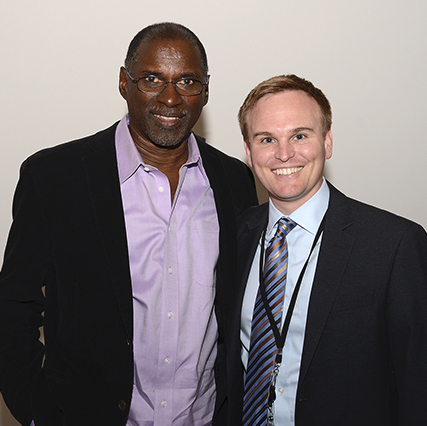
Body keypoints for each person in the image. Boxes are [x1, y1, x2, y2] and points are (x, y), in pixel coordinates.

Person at [0, 22, 258, 426]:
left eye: (187, 81)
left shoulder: (235, 182)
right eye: (152, 79)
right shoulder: (55, 178)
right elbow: (13, 307)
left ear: (205, 91)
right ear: (124, 83)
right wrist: (38, 412)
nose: (170, 97)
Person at [224, 74, 427, 425]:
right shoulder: (232, 236)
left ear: (327, 142)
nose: (284, 153)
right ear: (248, 150)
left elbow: (418, 384)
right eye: (267, 139)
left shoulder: (394, 246)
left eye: (300, 135)